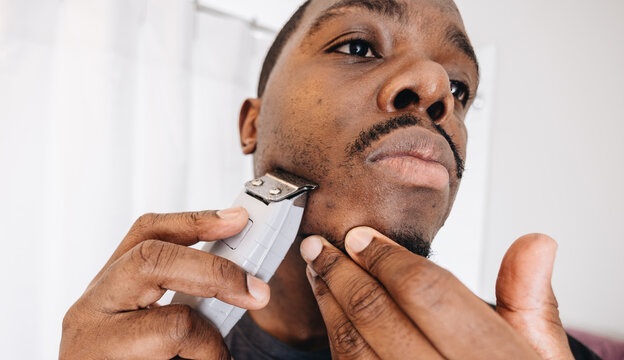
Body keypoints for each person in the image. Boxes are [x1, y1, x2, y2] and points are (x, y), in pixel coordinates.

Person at [59, 0, 601, 359]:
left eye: (460, 89)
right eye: (358, 47)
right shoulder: (137, 347)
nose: (437, 89)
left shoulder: (542, 353)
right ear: (252, 122)